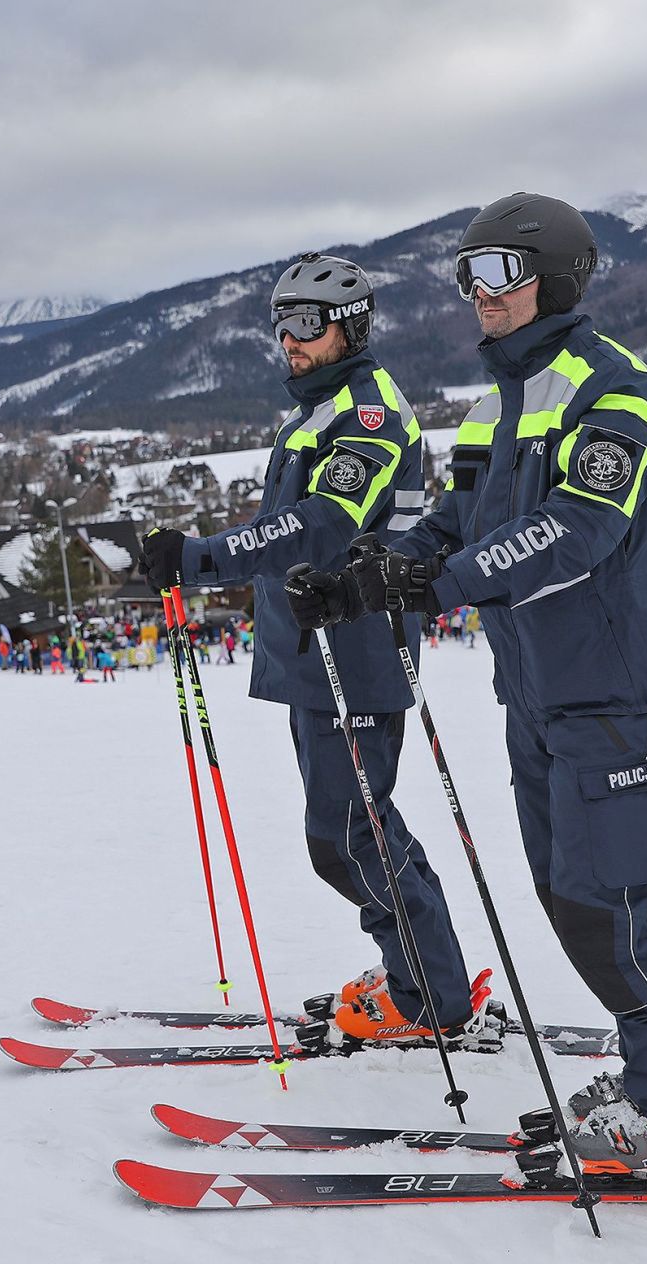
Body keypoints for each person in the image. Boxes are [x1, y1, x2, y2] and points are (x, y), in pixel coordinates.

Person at [288, 193, 647, 1179]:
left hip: (612, 689)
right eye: (468, 275)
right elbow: (453, 522)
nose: (478, 294)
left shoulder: (613, 388)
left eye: (498, 272)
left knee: (613, 904)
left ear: (557, 276)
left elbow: (580, 528)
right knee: (572, 897)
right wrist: (369, 568)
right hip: (536, 690)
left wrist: (439, 580)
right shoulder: (499, 401)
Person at [138, 250, 474, 1050]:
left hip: (351, 656)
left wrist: (201, 557)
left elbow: (320, 526)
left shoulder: (368, 416)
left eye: (306, 324)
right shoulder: (317, 410)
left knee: (348, 837)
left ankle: (428, 994)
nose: (289, 340)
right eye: (281, 324)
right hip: (314, 656)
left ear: (349, 327)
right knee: (362, 828)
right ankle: (427, 978)